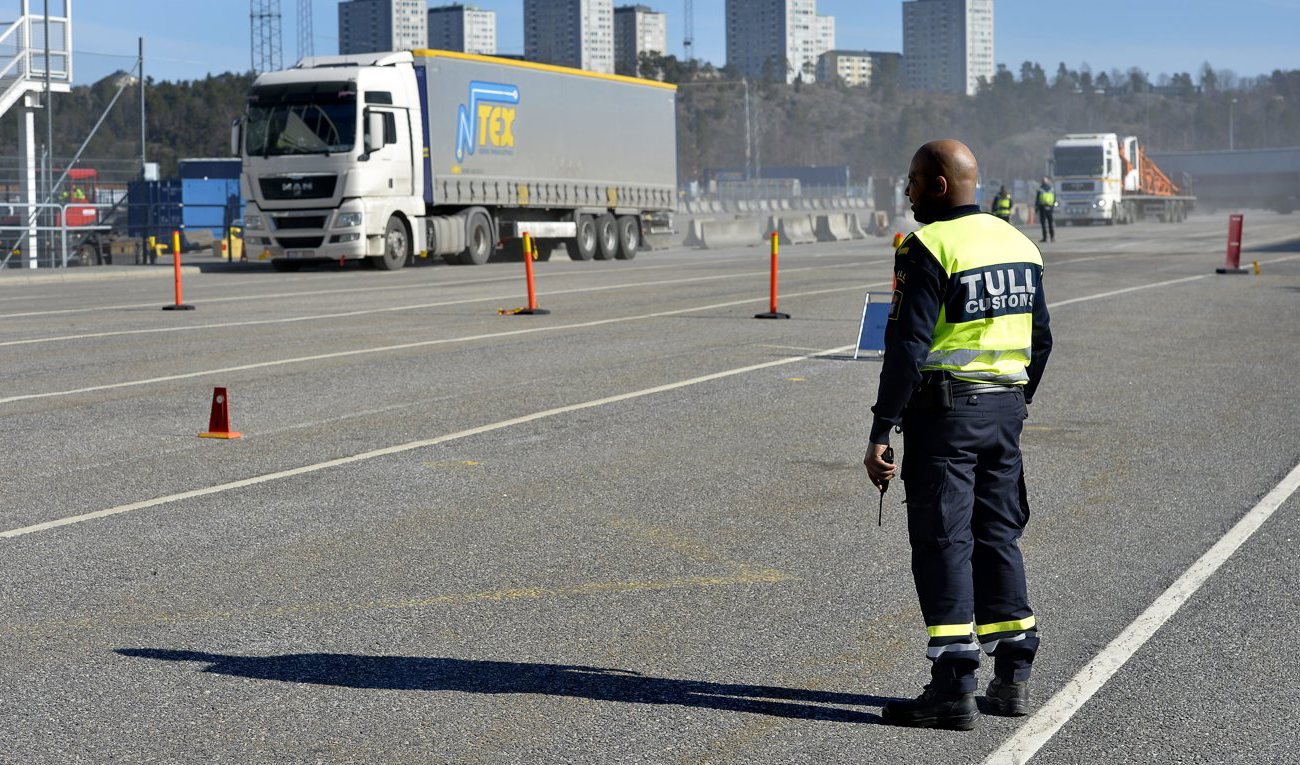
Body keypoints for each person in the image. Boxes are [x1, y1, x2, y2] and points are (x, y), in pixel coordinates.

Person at [863, 139, 1053, 731]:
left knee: (945, 542)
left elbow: (907, 345)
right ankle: (1013, 676)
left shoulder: (927, 246)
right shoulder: (1021, 243)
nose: (908, 190)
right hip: (1004, 411)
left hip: (946, 416)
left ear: (940, 186)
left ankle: (953, 685)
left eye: (914, 180)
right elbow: (1041, 338)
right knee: (999, 535)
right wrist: (1015, 399)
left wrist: (880, 428)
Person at [1035, 178, 1056, 242]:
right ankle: (1052, 238)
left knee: (1043, 224)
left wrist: (1036, 208)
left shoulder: (1040, 189)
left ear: (1042, 182)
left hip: (1042, 208)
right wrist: (1052, 207)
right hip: (1050, 208)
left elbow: (1037, 199)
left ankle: (1045, 238)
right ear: (1048, 182)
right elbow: (1054, 198)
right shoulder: (1052, 189)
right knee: (1050, 223)